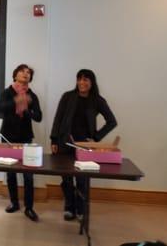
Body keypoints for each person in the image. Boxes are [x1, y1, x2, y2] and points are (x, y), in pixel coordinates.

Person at [50, 69, 117, 221]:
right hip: (64, 143)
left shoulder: (97, 100)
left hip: (85, 146)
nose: (82, 82)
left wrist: (96, 138)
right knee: (66, 178)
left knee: (82, 180)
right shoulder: (68, 97)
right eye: (79, 79)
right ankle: (69, 207)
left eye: (86, 79)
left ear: (92, 82)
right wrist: (54, 139)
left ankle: (80, 209)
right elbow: (58, 118)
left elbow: (112, 121)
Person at [0, 64, 42, 221]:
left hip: (26, 138)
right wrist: (17, 101)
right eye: (22, 71)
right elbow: (0, 109)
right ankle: (14, 203)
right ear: (15, 75)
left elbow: (39, 117)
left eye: (28, 72)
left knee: (28, 175)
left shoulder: (32, 95)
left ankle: (29, 208)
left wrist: (27, 108)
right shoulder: (7, 92)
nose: (26, 74)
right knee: (11, 173)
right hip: (8, 137)